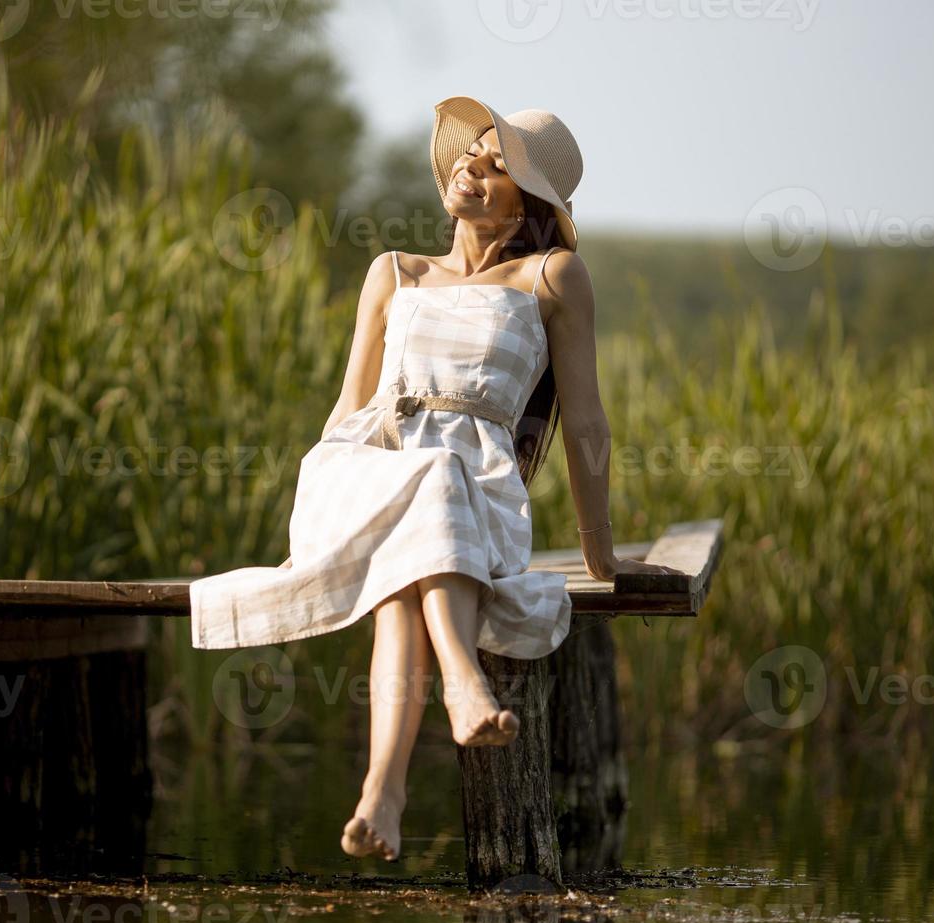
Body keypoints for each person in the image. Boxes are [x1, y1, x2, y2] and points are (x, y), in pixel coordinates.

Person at [189, 96, 678, 861]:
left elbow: (585, 421)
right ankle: (460, 682)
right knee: (422, 482)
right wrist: (312, 520)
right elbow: (348, 405)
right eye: (471, 154)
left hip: (471, 488)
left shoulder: (550, 277)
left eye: (496, 167)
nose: (470, 169)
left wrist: (599, 552)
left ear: (532, 202)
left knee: (416, 547)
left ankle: (382, 794)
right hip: (365, 468)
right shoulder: (393, 272)